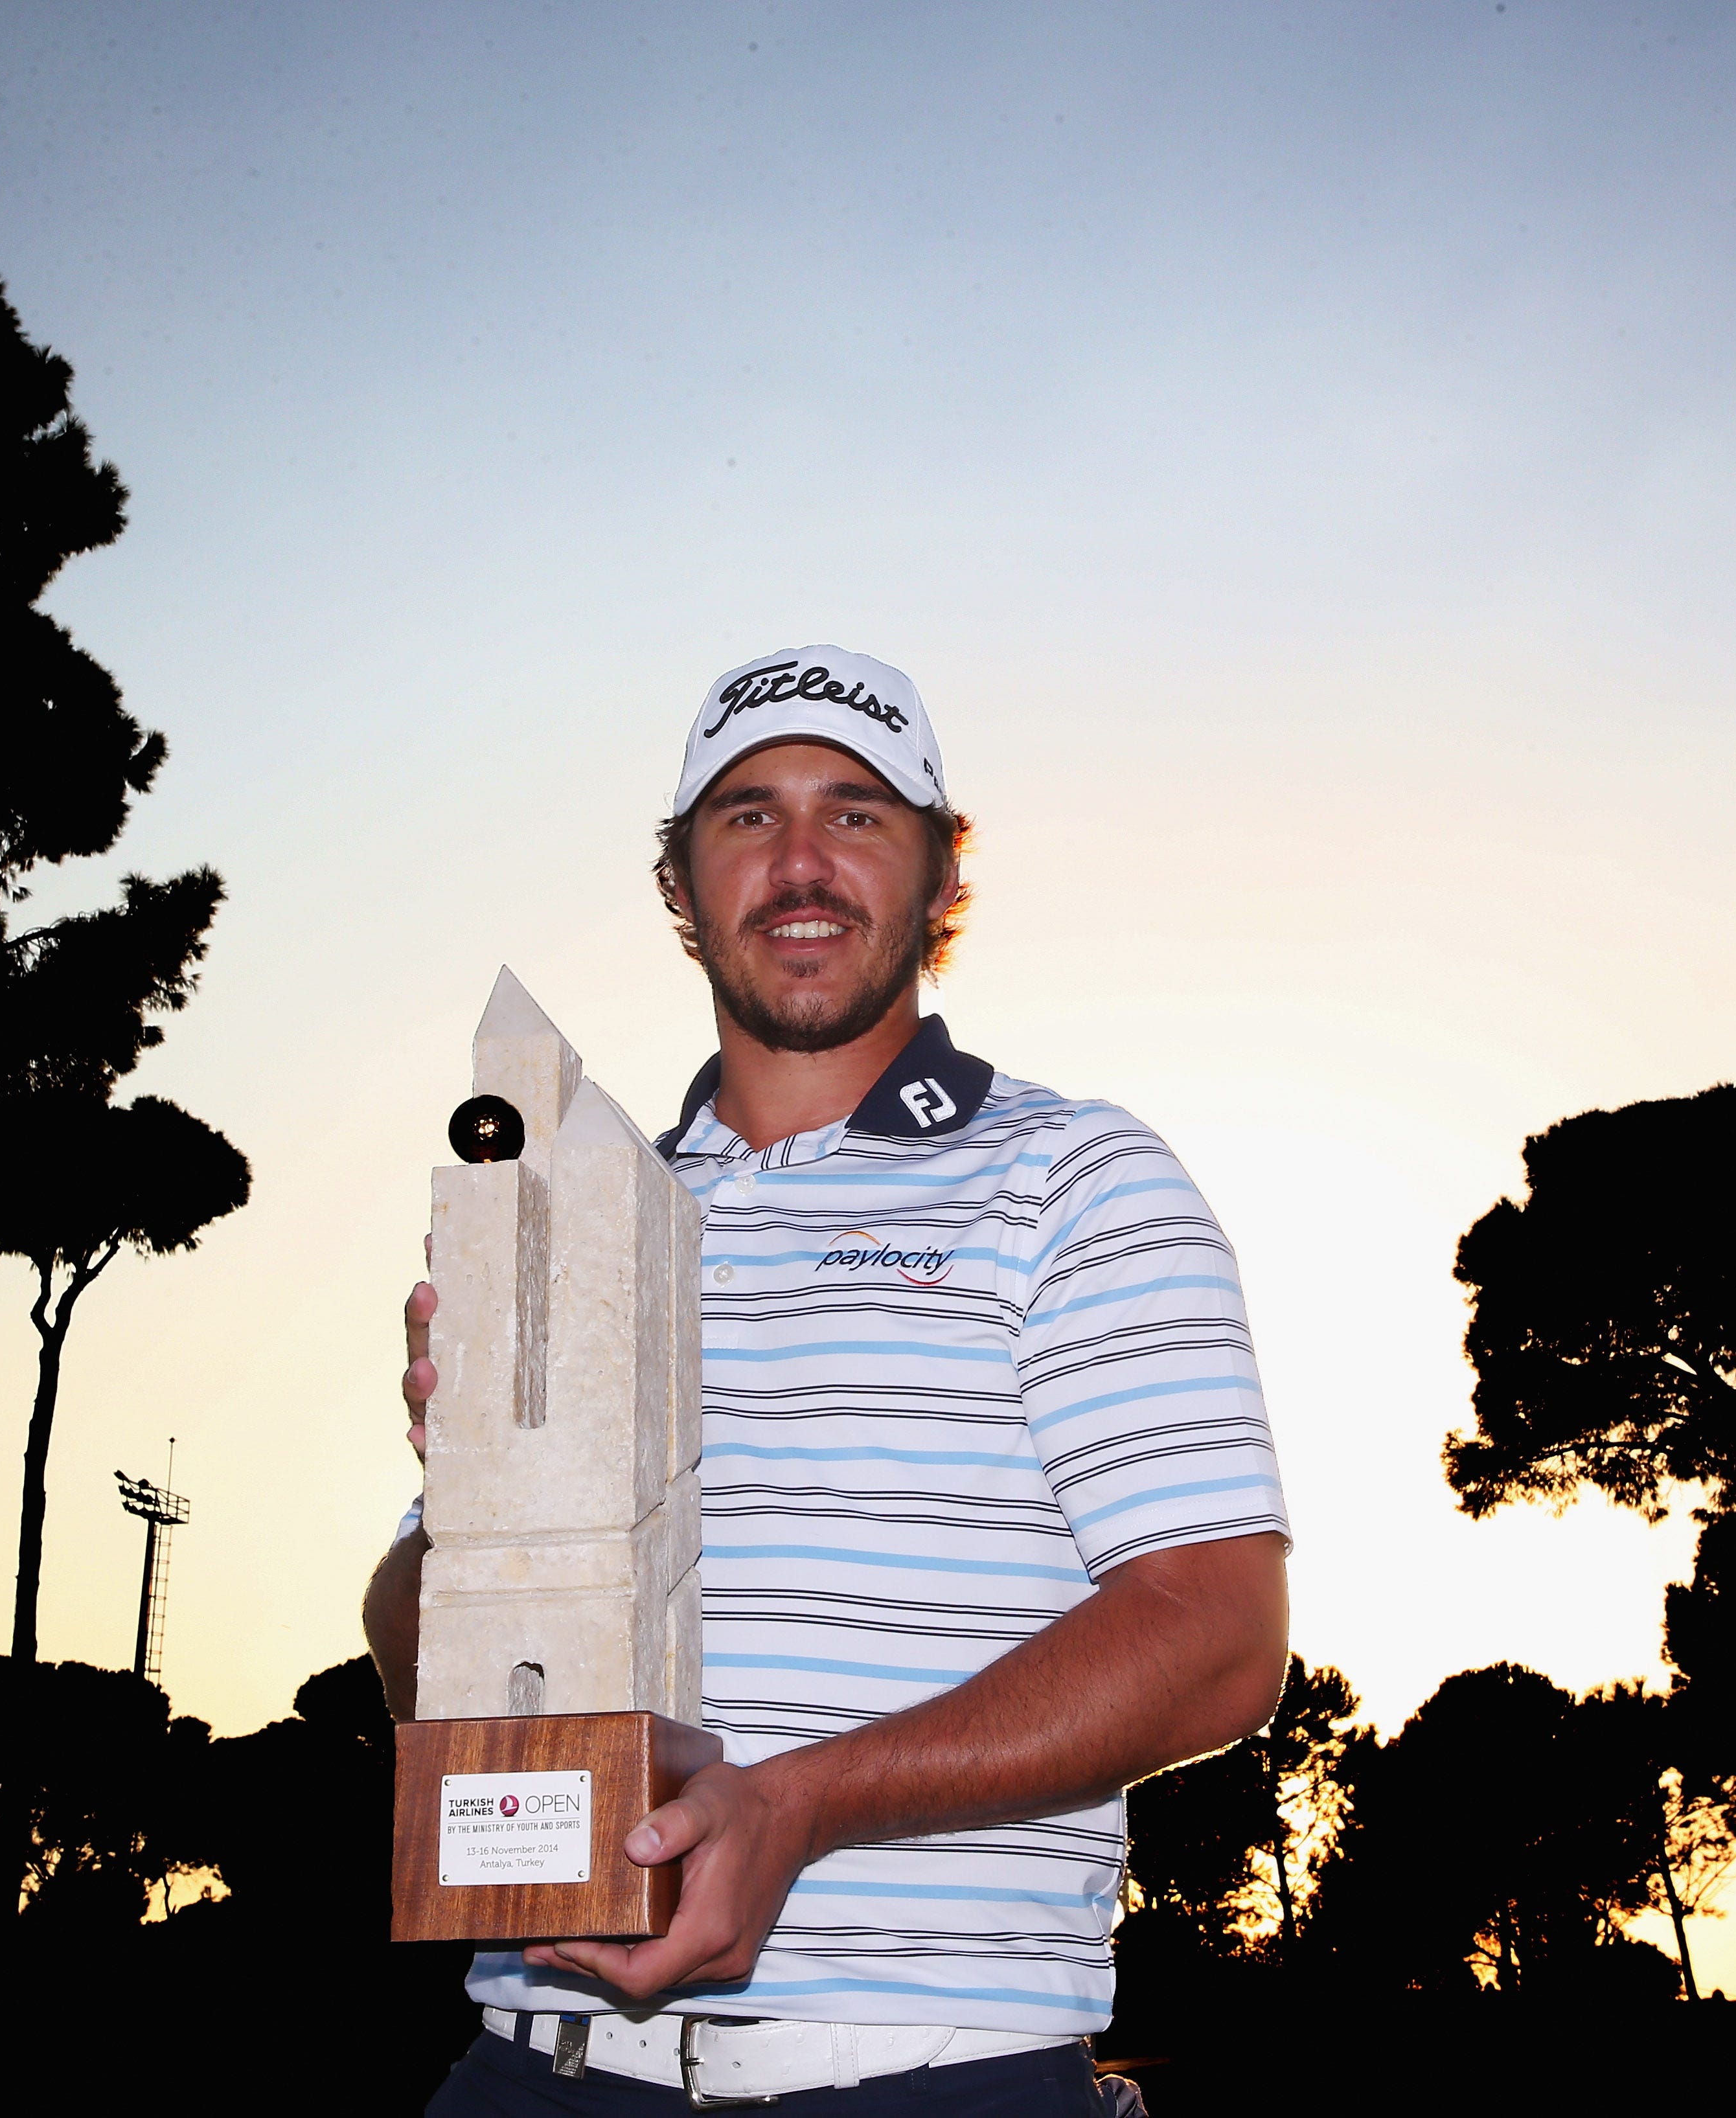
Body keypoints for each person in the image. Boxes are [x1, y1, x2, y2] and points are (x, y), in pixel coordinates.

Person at [366, 646, 1290, 2113]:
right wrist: (479, 1498)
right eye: (748, 817)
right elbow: (411, 1638)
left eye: (856, 814)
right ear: (680, 883)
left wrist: (801, 1803)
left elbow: (1219, 1636)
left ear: (942, 871)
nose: (801, 862)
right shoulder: (575, 1215)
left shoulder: (1077, 1177)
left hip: (927, 2080)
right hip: (532, 2066)